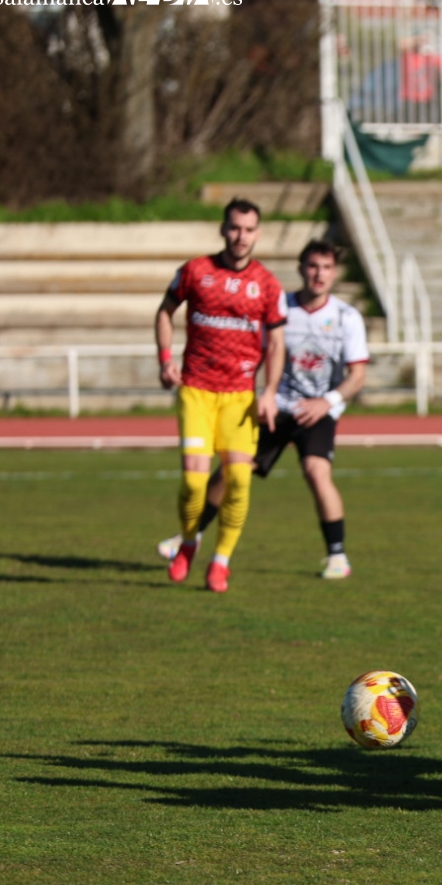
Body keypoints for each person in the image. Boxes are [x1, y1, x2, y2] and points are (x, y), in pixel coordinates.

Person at [158, 240, 370, 578]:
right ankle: (191, 535)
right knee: (232, 470)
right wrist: (258, 395)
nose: (319, 274)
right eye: (313, 266)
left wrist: (326, 402)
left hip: (316, 412)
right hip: (275, 407)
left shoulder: (347, 317)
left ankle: (337, 556)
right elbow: (256, 353)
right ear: (301, 268)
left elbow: (357, 376)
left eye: (327, 268)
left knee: (317, 472)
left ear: (335, 273)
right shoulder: (279, 305)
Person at [156, 198, 287, 594]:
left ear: (258, 234)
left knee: (239, 483)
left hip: (239, 399)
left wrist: (269, 392)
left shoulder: (267, 284)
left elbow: (277, 343)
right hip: (196, 391)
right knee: (195, 484)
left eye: (248, 229)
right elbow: (165, 312)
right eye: (234, 228)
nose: (240, 236)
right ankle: (189, 542)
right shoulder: (195, 271)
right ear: (222, 229)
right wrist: (165, 361)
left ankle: (221, 562)